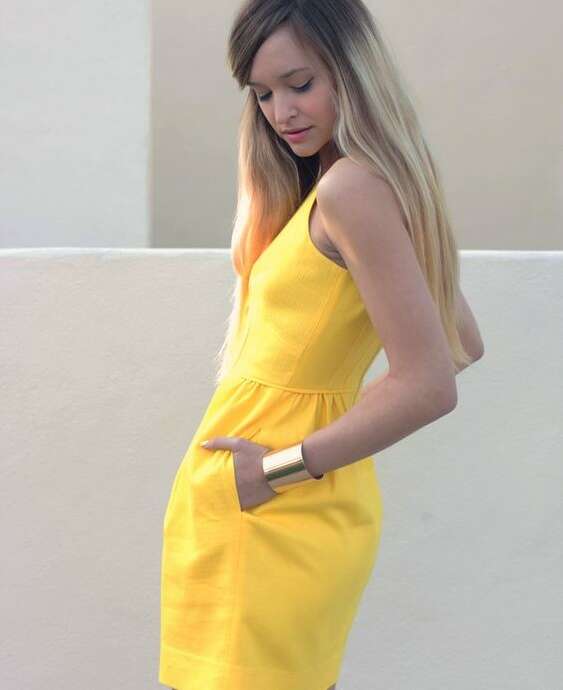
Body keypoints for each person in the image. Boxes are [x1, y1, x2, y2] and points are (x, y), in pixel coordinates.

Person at [159, 1, 484, 689]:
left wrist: (276, 467)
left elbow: (429, 382)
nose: (281, 112)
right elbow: (462, 340)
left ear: (353, 70)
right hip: (268, 502)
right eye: (262, 94)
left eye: (299, 83)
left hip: (273, 507)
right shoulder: (356, 185)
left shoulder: (351, 188)